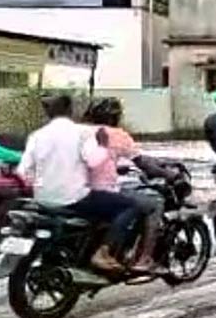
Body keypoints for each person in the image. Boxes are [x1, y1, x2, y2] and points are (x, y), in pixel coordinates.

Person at [18, 94, 138, 272]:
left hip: (42, 199)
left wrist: (43, 184)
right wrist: (103, 147)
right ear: (69, 110)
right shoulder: (81, 133)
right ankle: (103, 252)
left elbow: (23, 171)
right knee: (130, 206)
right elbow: (94, 162)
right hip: (74, 198)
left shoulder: (37, 135)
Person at [84, 98, 168, 272]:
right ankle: (144, 259)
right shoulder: (118, 135)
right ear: (115, 117)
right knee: (153, 204)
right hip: (100, 191)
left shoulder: (79, 132)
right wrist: (169, 173)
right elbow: (143, 164)